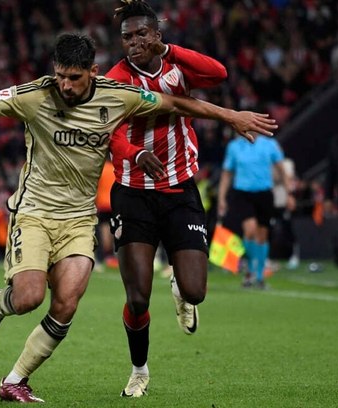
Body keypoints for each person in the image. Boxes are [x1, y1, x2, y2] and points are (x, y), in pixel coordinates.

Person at [0, 33, 276, 403]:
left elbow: (176, 102)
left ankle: (15, 380)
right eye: (60, 75)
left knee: (67, 302)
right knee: (28, 298)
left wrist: (231, 116)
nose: (65, 85)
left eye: (74, 78)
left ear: (92, 73)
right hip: (34, 213)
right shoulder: (35, 96)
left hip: (79, 218)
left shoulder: (117, 96)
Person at [104, 0, 229, 397]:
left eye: (142, 34)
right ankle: (139, 371)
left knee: (196, 291)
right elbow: (112, 131)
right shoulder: (116, 79)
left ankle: (180, 287)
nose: (135, 42)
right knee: (138, 297)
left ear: (157, 34)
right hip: (133, 192)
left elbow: (219, 73)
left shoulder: (178, 67)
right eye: (127, 37)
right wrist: (136, 153)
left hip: (180, 189)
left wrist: (170, 51)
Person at [217, 133, 290, 289]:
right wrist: (222, 197)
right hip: (243, 193)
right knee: (249, 230)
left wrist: (288, 192)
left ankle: (259, 275)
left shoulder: (270, 144)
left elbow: (281, 168)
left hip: (264, 192)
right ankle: (250, 270)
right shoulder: (235, 146)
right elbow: (227, 173)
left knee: (262, 235)